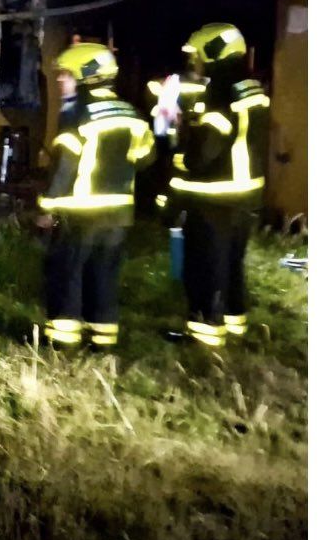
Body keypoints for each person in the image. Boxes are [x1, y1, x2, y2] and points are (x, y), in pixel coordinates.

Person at [38, 42, 155, 349]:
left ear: (86, 76)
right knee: (104, 274)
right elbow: (146, 159)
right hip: (119, 214)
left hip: (81, 211)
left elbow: (65, 165)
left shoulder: (78, 114)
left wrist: (47, 206)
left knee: (68, 272)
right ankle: (103, 338)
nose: (60, 81)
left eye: (66, 75)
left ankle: (62, 340)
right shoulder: (132, 114)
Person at [161, 23, 269, 347]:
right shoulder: (251, 88)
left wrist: (184, 148)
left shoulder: (218, 93)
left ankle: (205, 335)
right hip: (245, 194)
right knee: (232, 265)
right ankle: (235, 323)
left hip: (213, 195)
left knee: (205, 266)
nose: (194, 62)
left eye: (197, 55)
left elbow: (206, 150)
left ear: (213, 53)